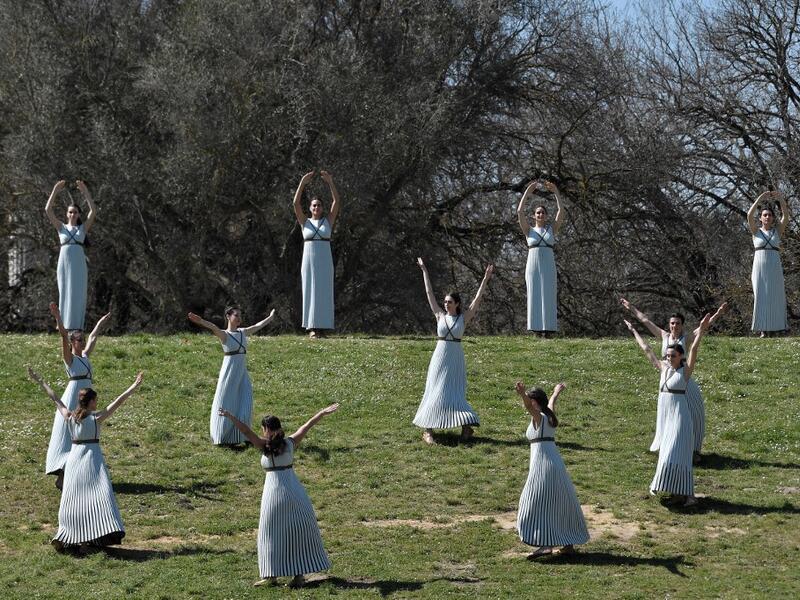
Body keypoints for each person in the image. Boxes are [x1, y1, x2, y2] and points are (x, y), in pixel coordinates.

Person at [219, 403, 339, 588]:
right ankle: (297, 575)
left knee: (270, 533)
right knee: (297, 531)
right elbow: (307, 425)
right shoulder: (290, 442)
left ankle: (271, 575)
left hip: (273, 494)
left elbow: (244, 430)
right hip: (294, 490)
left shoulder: (263, 444)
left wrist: (229, 416)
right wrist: (322, 412)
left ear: (266, 429)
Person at [28, 367, 143, 551]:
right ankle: (85, 540)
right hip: (92, 460)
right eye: (95, 400)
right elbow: (119, 401)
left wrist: (40, 380)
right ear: (90, 402)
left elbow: (55, 398)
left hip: (73, 461)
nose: (97, 403)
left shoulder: (70, 417)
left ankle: (73, 538)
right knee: (100, 498)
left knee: (73, 500)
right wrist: (133, 386)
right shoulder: (96, 418)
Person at [620, 299, 727, 461]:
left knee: (693, 415)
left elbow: (704, 327)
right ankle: (667, 445)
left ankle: (694, 450)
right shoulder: (664, 335)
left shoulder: (687, 338)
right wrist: (631, 308)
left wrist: (718, 313)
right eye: (672, 323)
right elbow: (645, 321)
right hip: (667, 376)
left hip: (684, 377)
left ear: (682, 325)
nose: (674, 326)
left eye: (677, 323)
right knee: (668, 412)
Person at [624, 314, 711, 507]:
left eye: (673, 355)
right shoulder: (663, 369)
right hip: (667, 421)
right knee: (667, 455)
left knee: (675, 455)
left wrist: (702, 330)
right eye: (668, 355)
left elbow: (695, 348)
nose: (669, 358)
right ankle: (678, 494)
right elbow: (646, 349)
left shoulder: (685, 372)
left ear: (681, 356)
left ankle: (689, 496)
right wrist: (634, 331)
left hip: (681, 421)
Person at [413, 258, 493, 444]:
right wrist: (425, 270)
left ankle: (466, 427)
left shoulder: (463, 318)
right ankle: (428, 430)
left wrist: (485, 279)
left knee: (454, 393)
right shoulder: (439, 315)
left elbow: (477, 300)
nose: (446, 304)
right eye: (445, 302)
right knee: (434, 390)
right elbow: (429, 293)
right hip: (439, 357)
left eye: (449, 302)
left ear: (457, 304)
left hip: (455, 358)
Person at [514, 380, 589, 558]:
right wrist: (555, 393)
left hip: (542, 464)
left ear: (535, 402)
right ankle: (568, 544)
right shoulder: (549, 415)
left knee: (535, 501)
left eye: (531, 401)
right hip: (554, 463)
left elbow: (528, 407)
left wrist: (522, 394)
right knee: (560, 501)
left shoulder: (539, 417)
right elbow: (551, 403)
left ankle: (545, 545)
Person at [45, 302, 111, 489]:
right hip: (73, 397)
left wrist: (100, 322)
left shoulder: (85, 358)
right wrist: (58, 317)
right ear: (73, 343)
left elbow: (94, 336)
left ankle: (69, 476)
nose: (82, 342)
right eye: (79, 340)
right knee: (70, 436)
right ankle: (63, 475)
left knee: (83, 434)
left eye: (83, 339)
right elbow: (63, 336)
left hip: (84, 397)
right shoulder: (70, 360)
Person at [188, 307, 276, 446]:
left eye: (241, 315)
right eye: (236, 315)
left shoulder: (242, 332)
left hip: (242, 373)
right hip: (229, 373)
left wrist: (270, 318)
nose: (239, 318)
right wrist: (201, 321)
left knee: (245, 402)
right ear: (228, 316)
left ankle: (244, 437)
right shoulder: (225, 335)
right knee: (226, 402)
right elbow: (213, 327)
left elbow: (257, 326)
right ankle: (222, 437)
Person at [293, 170, 340, 338]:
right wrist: (302, 183)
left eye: (319, 205)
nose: (316, 207)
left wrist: (330, 183)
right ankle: (312, 327)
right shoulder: (304, 222)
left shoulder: (328, 221)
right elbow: (295, 204)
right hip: (309, 260)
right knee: (310, 290)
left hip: (325, 259)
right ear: (310, 208)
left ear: (322, 207)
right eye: (314, 205)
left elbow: (337, 201)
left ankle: (322, 327)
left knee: (324, 291)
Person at [45, 179, 96, 331]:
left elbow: (93, 211)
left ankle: (76, 326)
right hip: (64, 262)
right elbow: (48, 210)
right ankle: (63, 325)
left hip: (78, 262)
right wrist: (55, 190)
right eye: (70, 212)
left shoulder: (82, 229)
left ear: (79, 214)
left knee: (78, 291)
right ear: (67, 214)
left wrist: (85, 192)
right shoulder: (61, 227)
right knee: (65, 289)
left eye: (75, 212)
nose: (73, 214)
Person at [517, 180, 565, 335]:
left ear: (546, 215)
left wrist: (556, 192)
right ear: (534, 215)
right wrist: (527, 192)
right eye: (538, 212)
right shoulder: (528, 230)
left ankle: (549, 329)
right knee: (534, 292)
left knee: (549, 293)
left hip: (548, 264)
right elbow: (519, 212)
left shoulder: (552, 229)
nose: (540, 214)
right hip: (533, 264)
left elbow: (561, 212)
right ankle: (536, 328)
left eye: (543, 212)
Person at [747, 191, 790, 336]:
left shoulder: (777, 231)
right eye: (764, 215)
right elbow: (749, 215)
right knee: (760, 296)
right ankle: (763, 330)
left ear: (773, 218)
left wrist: (780, 200)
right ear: (761, 218)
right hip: (759, 268)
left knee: (776, 296)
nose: (767, 217)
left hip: (774, 267)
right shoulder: (755, 232)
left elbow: (786, 216)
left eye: (770, 215)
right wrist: (760, 198)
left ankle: (777, 329)